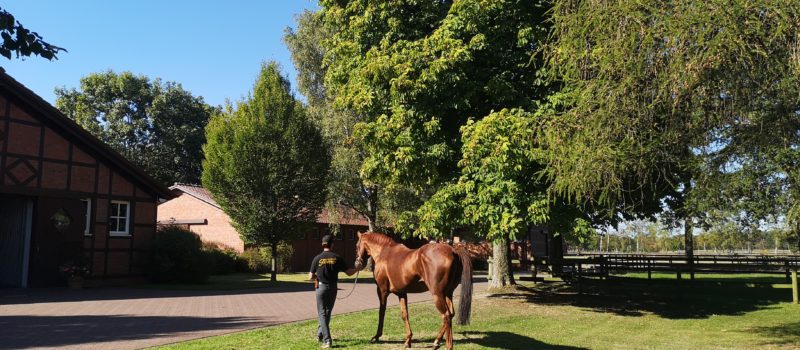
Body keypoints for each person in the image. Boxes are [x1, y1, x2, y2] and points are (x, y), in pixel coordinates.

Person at [309, 234, 361, 348]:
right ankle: (320, 335)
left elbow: (310, 276)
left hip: (321, 288)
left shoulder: (317, 258)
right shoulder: (337, 258)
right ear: (332, 244)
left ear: (322, 244)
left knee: (322, 313)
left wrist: (317, 278)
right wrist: (357, 268)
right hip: (333, 288)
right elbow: (348, 272)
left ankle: (326, 340)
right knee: (327, 313)